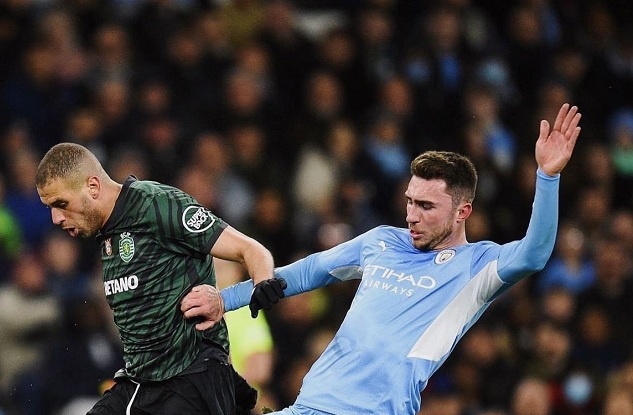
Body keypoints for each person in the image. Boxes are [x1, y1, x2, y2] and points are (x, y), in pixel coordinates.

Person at [181, 103, 582, 414]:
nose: (412, 215)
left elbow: (534, 254)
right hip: (310, 404)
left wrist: (547, 177)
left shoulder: (479, 267)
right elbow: (305, 272)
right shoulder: (382, 241)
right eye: (410, 201)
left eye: (426, 206)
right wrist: (223, 300)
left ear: (463, 211)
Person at [35, 142, 284, 415]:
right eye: (49, 207)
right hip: (141, 381)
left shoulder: (156, 204)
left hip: (192, 374)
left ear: (92, 186)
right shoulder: (107, 232)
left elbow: (250, 249)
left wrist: (264, 282)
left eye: (61, 204)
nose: (56, 218)